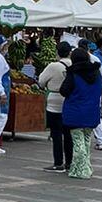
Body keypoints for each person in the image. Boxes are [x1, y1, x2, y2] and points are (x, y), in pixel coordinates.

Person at [61, 46, 102, 178]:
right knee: (86, 141)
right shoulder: (97, 73)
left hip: (75, 113)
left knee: (78, 143)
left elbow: (64, 90)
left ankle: (81, 170)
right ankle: (85, 166)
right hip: (92, 112)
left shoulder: (73, 73)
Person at [39, 40, 73, 171]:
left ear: (57, 52)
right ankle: (69, 162)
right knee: (68, 134)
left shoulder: (53, 66)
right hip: (69, 102)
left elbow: (41, 81)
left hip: (54, 103)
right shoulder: (73, 65)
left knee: (56, 134)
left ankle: (58, 162)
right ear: (69, 52)